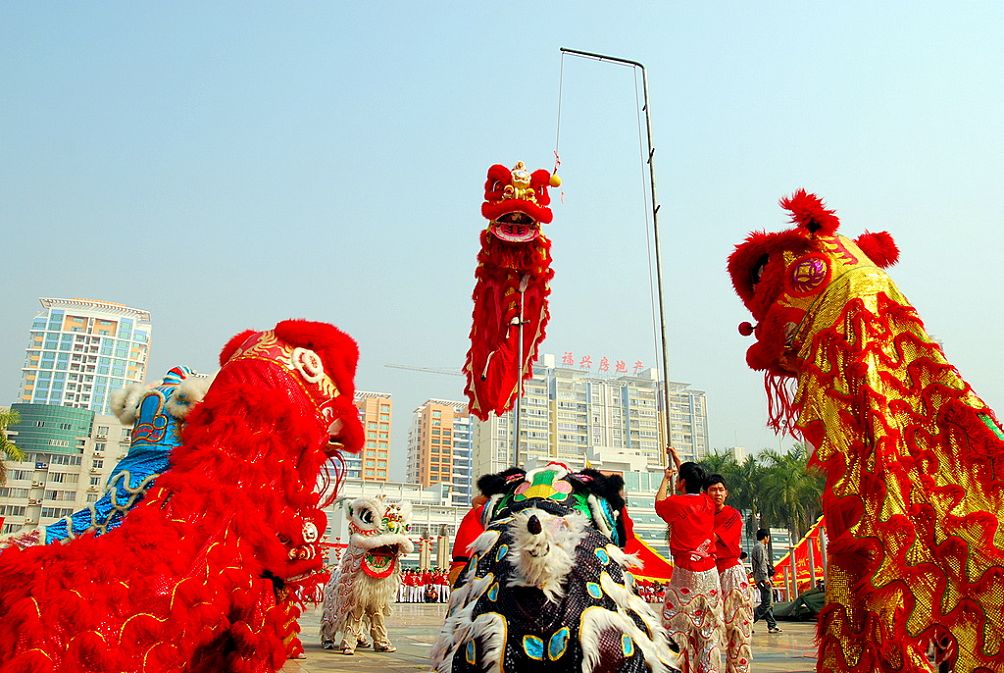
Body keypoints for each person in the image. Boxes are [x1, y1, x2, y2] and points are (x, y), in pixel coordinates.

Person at [656, 446, 723, 673]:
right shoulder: (707, 503)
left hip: (686, 571)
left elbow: (659, 503)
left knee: (676, 625)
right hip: (709, 572)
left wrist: (666, 478)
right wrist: (677, 461)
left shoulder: (676, 503)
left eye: (678, 479)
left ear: (681, 482)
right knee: (707, 629)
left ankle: (677, 668)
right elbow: (691, 479)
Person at [707, 474, 754, 673]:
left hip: (731, 574)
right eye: (712, 489)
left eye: (720, 489)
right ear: (706, 493)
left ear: (726, 493)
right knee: (709, 631)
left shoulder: (733, 515)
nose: (717, 493)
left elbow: (712, 539)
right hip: (709, 574)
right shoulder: (702, 515)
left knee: (737, 629)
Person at [750, 529, 781, 634]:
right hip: (762, 579)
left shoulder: (760, 547)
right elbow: (762, 564)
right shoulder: (759, 547)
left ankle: (772, 625)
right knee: (767, 603)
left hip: (762, 578)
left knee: (769, 602)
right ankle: (748, 621)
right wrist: (766, 578)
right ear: (766, 537)